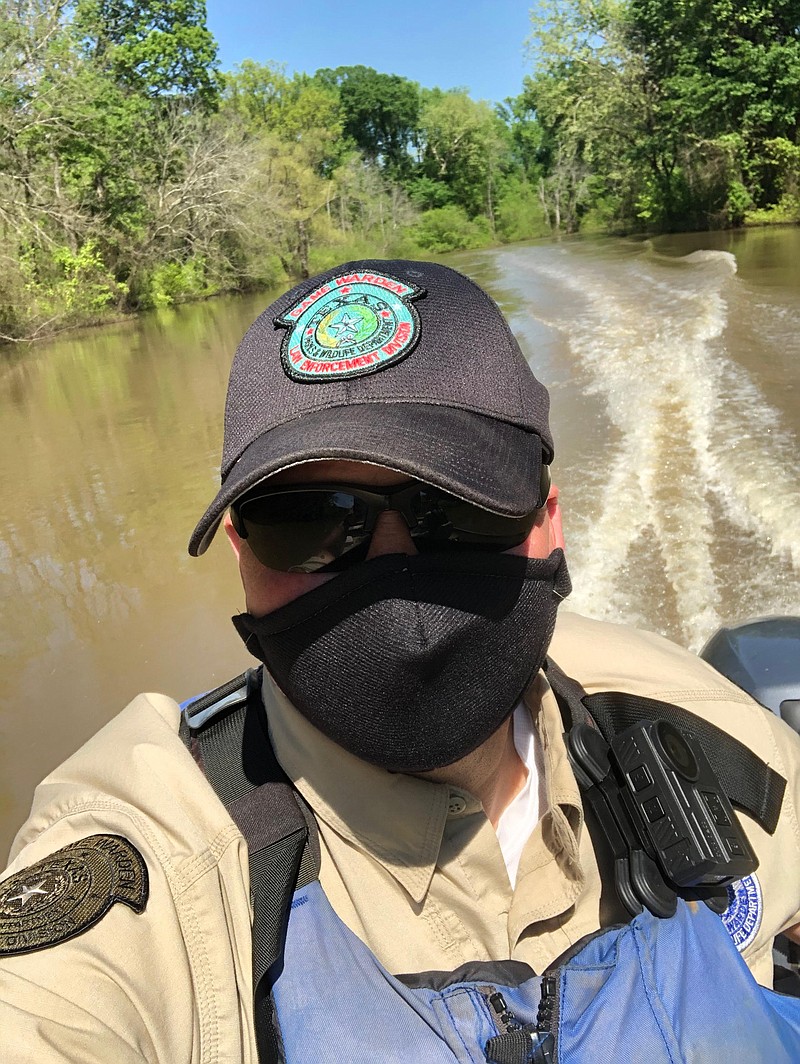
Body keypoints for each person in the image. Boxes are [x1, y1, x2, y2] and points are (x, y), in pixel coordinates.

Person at [1, 259, 800, 1063]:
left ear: (546, 523)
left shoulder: (714, 734)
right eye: (311, 522)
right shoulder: (153, 858)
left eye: (450, 509)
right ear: (242, 551)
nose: (393, 582)